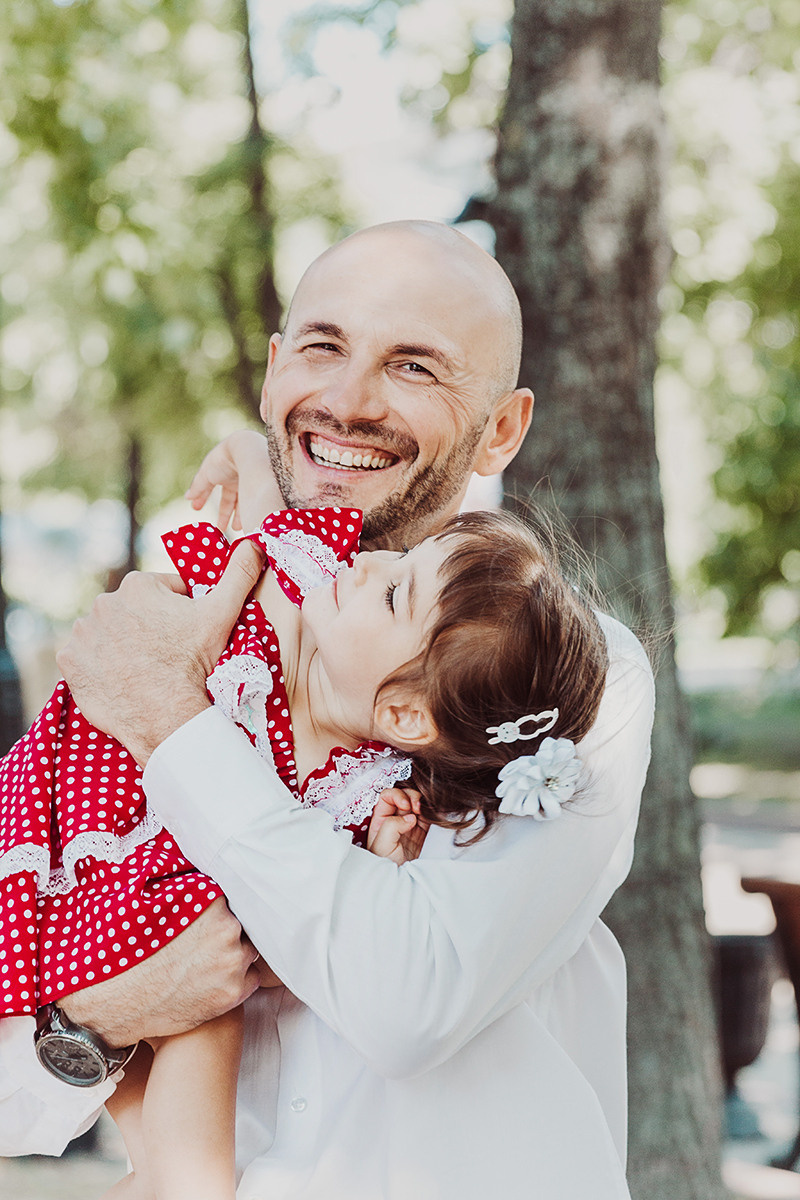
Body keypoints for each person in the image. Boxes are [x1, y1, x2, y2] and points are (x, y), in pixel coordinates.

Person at [0, 220, 653, 1199]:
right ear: (271, 377)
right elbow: (20, 1088)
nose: (347, 403)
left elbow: (408, 1002)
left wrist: (172, 725)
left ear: (502, 429)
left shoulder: (555, 680)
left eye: (413, 367)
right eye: (321, 347)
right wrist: (99, 1018)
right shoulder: (183, 620)